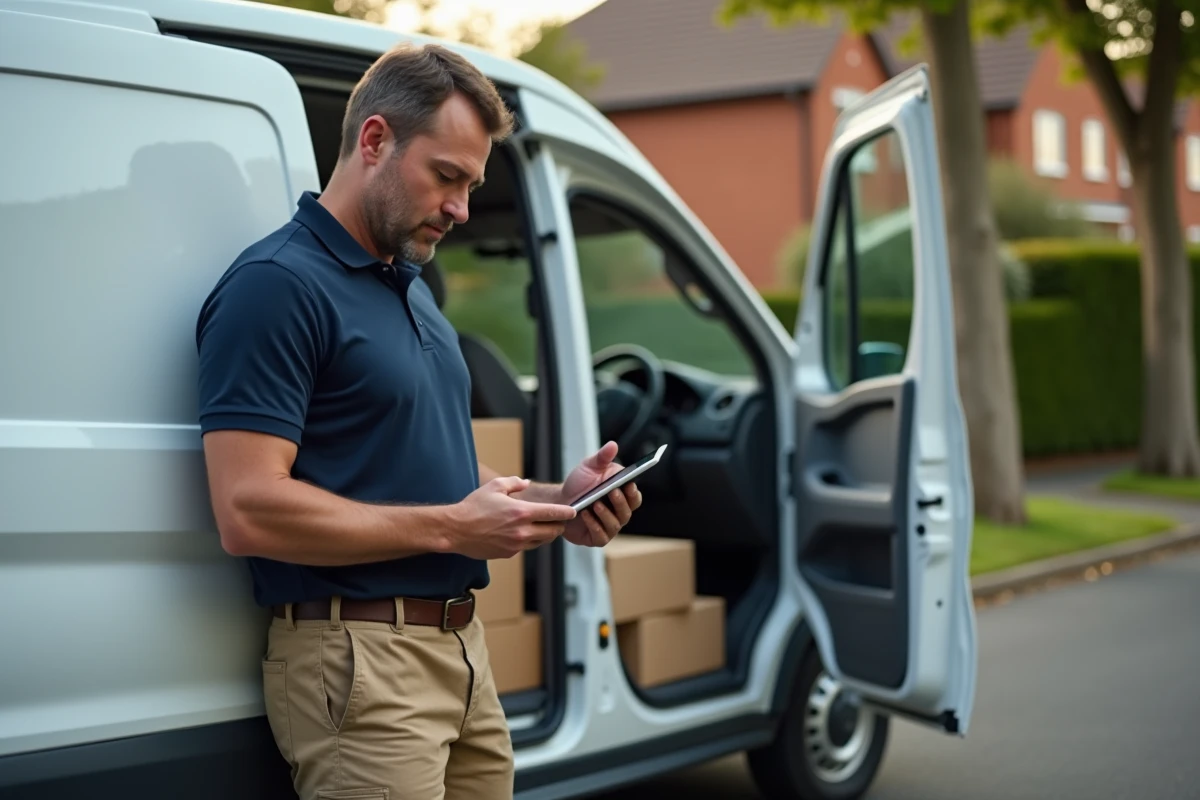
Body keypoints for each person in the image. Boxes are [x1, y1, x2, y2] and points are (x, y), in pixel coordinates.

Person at [195, 42, 642, 800]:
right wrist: (449, 529)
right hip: (360, 662)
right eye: (447, 177)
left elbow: (431, 472)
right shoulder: (275, 287)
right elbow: (247, 508)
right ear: (374, 141)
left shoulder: (414, 290)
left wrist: (556, 503)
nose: (462, 209)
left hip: (460, 652)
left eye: (471, 184)